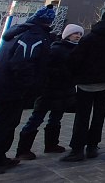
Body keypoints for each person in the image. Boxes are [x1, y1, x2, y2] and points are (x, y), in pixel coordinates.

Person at [0, 5, 55, 177]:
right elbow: (23, 63)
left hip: (7, 86)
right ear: (47, 21)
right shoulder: (33, 35)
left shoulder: (21, 31)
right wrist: (28, 86)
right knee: (1, 124)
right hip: (11, 88)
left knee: (8, 123)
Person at [60, 7, 105, 162]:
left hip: (86, 83)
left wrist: (77, 75)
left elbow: (75, 58)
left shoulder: (90, 37)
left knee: (82, 116)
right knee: (99, 114)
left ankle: (77, 149)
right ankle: (92, 146)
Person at [15, 24, 84, 160]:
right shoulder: (56, 48)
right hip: (49, 90)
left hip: (65, 90)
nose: (78, 36)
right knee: (37, 118)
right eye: (75, 33)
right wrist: (62, 74)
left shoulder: (77, 49)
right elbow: (46, 68)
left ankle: (51, 144)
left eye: (80, 34)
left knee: (56, 118)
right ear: (67, 34)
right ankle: (23, 149)